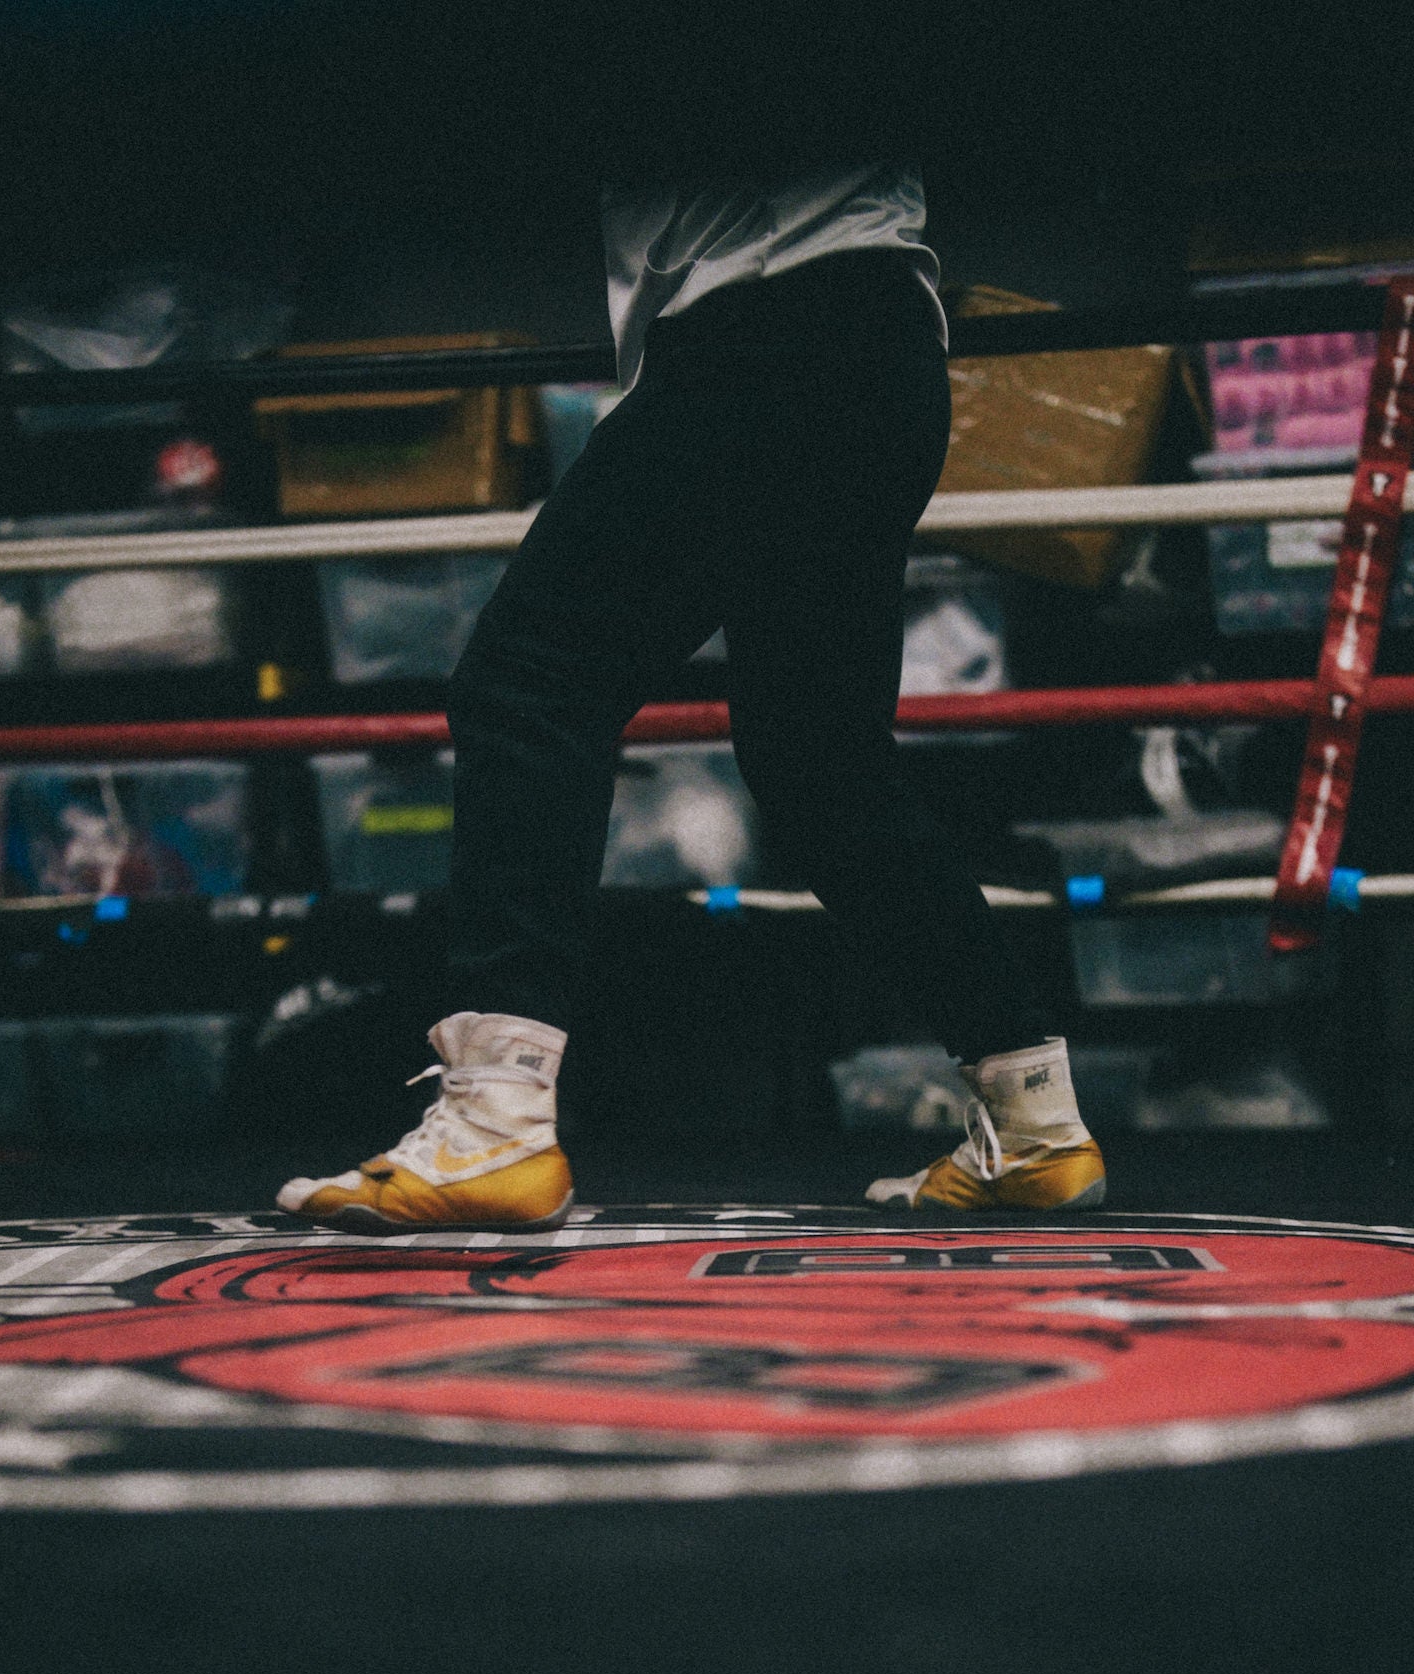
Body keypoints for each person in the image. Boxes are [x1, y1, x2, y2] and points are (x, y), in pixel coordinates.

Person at [276, 165, 1105, 1229]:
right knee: (822, 765)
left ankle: (495, 1123)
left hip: (761, 329)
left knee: (530, 679)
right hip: (888, 343)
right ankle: (1032, 1119)